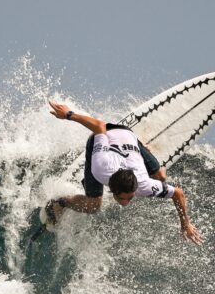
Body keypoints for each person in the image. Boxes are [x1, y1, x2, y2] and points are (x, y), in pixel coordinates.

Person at [44, 100, 203, 245]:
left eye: (129, 197)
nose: (125, 203)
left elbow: (178, 193)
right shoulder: (100, 167)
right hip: (104, 141)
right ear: (112, 189)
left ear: (136, 188)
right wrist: (69, 115)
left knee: (161, 177)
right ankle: (60, 203)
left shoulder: (144, 185)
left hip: (128, 135)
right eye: (122, 198)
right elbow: (99, 127)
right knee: (93, 206)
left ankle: (141, 147)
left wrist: (185, 223)